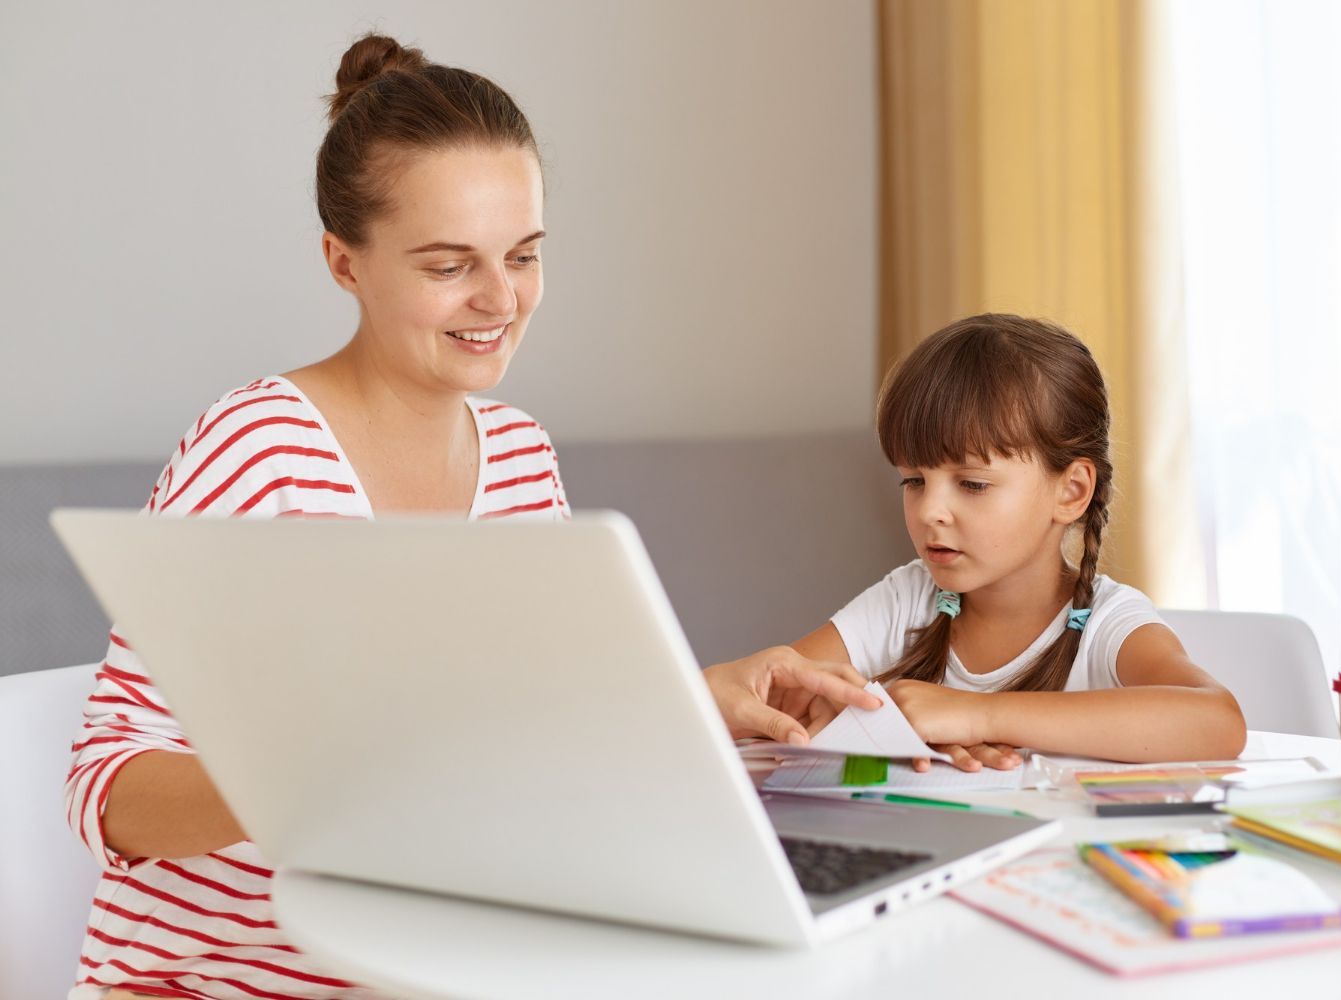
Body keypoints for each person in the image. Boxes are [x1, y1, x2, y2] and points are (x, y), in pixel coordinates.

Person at [66, 35, 871, 1000]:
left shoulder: (522, 457)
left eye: (524, 256)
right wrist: (334, 774)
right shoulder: (258, 452)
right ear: (343, 262)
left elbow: (535, 733)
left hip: (447, 971)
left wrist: (698, 693)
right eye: (450, 265)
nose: (500, 300)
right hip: (212, 985)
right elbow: (106, 792)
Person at [707, 313, 1248, 773]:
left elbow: (1217, 722)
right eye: (913, 480)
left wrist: (978, 712)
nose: (929, 511)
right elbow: (769, 695)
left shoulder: (1105, 623)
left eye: (972, 484)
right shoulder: (908, 601)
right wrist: (722, 686)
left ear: (1072, 490)